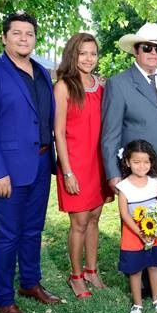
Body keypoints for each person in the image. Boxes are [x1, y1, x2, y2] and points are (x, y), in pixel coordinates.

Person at [0, 11, 60, 313]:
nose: (24, 39)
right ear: (4, 37)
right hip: (7, 169)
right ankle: (4, 300)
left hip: (40, 162)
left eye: (29, 34)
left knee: (33, 230)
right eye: (17, 33)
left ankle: (30, 283)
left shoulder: (43, 72)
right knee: (7, 235)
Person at [54, 33, 113, 299]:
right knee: (78, 222)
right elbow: (58, 132)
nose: (89, 58)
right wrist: (67, 172)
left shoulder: (101, 85)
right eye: (83, 53)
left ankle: (91, 270)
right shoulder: (64, 86)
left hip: (98, 163)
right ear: (73, 55)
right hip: (75, 163)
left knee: (94, 219)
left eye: (93, 53)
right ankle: (75, 275)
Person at [101, 22, 157, 200]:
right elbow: (110, 134)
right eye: (147, 47)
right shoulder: (118, 84)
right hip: (136, 177)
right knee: (137, 227)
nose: (153, 52)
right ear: (136, 51)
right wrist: (113, 174)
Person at [116, 140, 157, 313]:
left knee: (154, 267)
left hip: (154, 234)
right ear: (127, 162)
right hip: (134, 235)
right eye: (136, 162)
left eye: (146, 162)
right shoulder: (123, 187)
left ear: (151, 162)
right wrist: (140, 232)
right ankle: (137, 304)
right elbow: (124, 213)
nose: (141, 166)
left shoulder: (154, 182)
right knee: (135, 271)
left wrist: (156, 229)